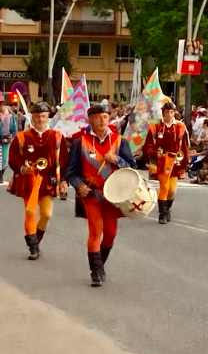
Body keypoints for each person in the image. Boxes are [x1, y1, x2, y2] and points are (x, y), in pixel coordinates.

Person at [65, 104, 137, 287]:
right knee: (95, 230)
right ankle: (95, 272)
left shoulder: (120, 141)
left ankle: (100, 264)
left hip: (114, 196)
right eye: (97, 117)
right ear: (90, 120)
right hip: (92, 194)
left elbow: (133, 167)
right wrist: (78, 185)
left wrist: (117, 160)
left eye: (105, 116)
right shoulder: (79, 143)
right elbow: (71, 173)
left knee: (111, 233)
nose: (102, 120)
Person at [8, 102, 61, 260]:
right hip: (28, 180)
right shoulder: (22, 137)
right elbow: (13, 158)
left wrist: (63, 180)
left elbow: (62, 159)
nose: (40, 119)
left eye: (43, 116)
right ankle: (33, 247)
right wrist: (21, 168)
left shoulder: (56, 136)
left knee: (47, 214)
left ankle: (36, 239)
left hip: (47, 181)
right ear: (32, 117)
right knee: (30, 212)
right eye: (37, 116)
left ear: (48, 118)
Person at [142, 102, 190, 225]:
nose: (169, 114)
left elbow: (184, 146)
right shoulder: (155, 127)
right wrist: (153, 154)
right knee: (164, 187)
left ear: (174, 113)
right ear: (162, 114)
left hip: (175, 161)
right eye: (166, 112)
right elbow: (148, 145)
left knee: (172, 190)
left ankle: (167, 208)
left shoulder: (180, 128)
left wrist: (185, 162)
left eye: (171, 112)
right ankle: (162, 214)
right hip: (162, 161)